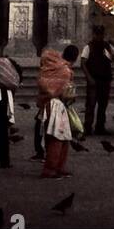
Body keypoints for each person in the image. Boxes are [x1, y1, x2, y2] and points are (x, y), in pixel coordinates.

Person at [36, 46, 79, 179]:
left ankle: (58, 167)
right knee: (58, 138)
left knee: (60, 136)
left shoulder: (51, 69)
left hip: (48, 104)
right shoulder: (65, 71)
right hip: (57, 105)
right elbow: (65, 92)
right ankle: (51, 169)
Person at [80, 25, 114, 136]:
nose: (99, 36)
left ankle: (100, 126)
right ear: (93, 34)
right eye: (97, 34)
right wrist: (89, 78)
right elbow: (83, 63)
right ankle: (88, 127)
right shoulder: (88, 47)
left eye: (101, 34)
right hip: (94, 79)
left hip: (105, 80)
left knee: (103, 105)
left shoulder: (107, 46)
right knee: (91, 105)